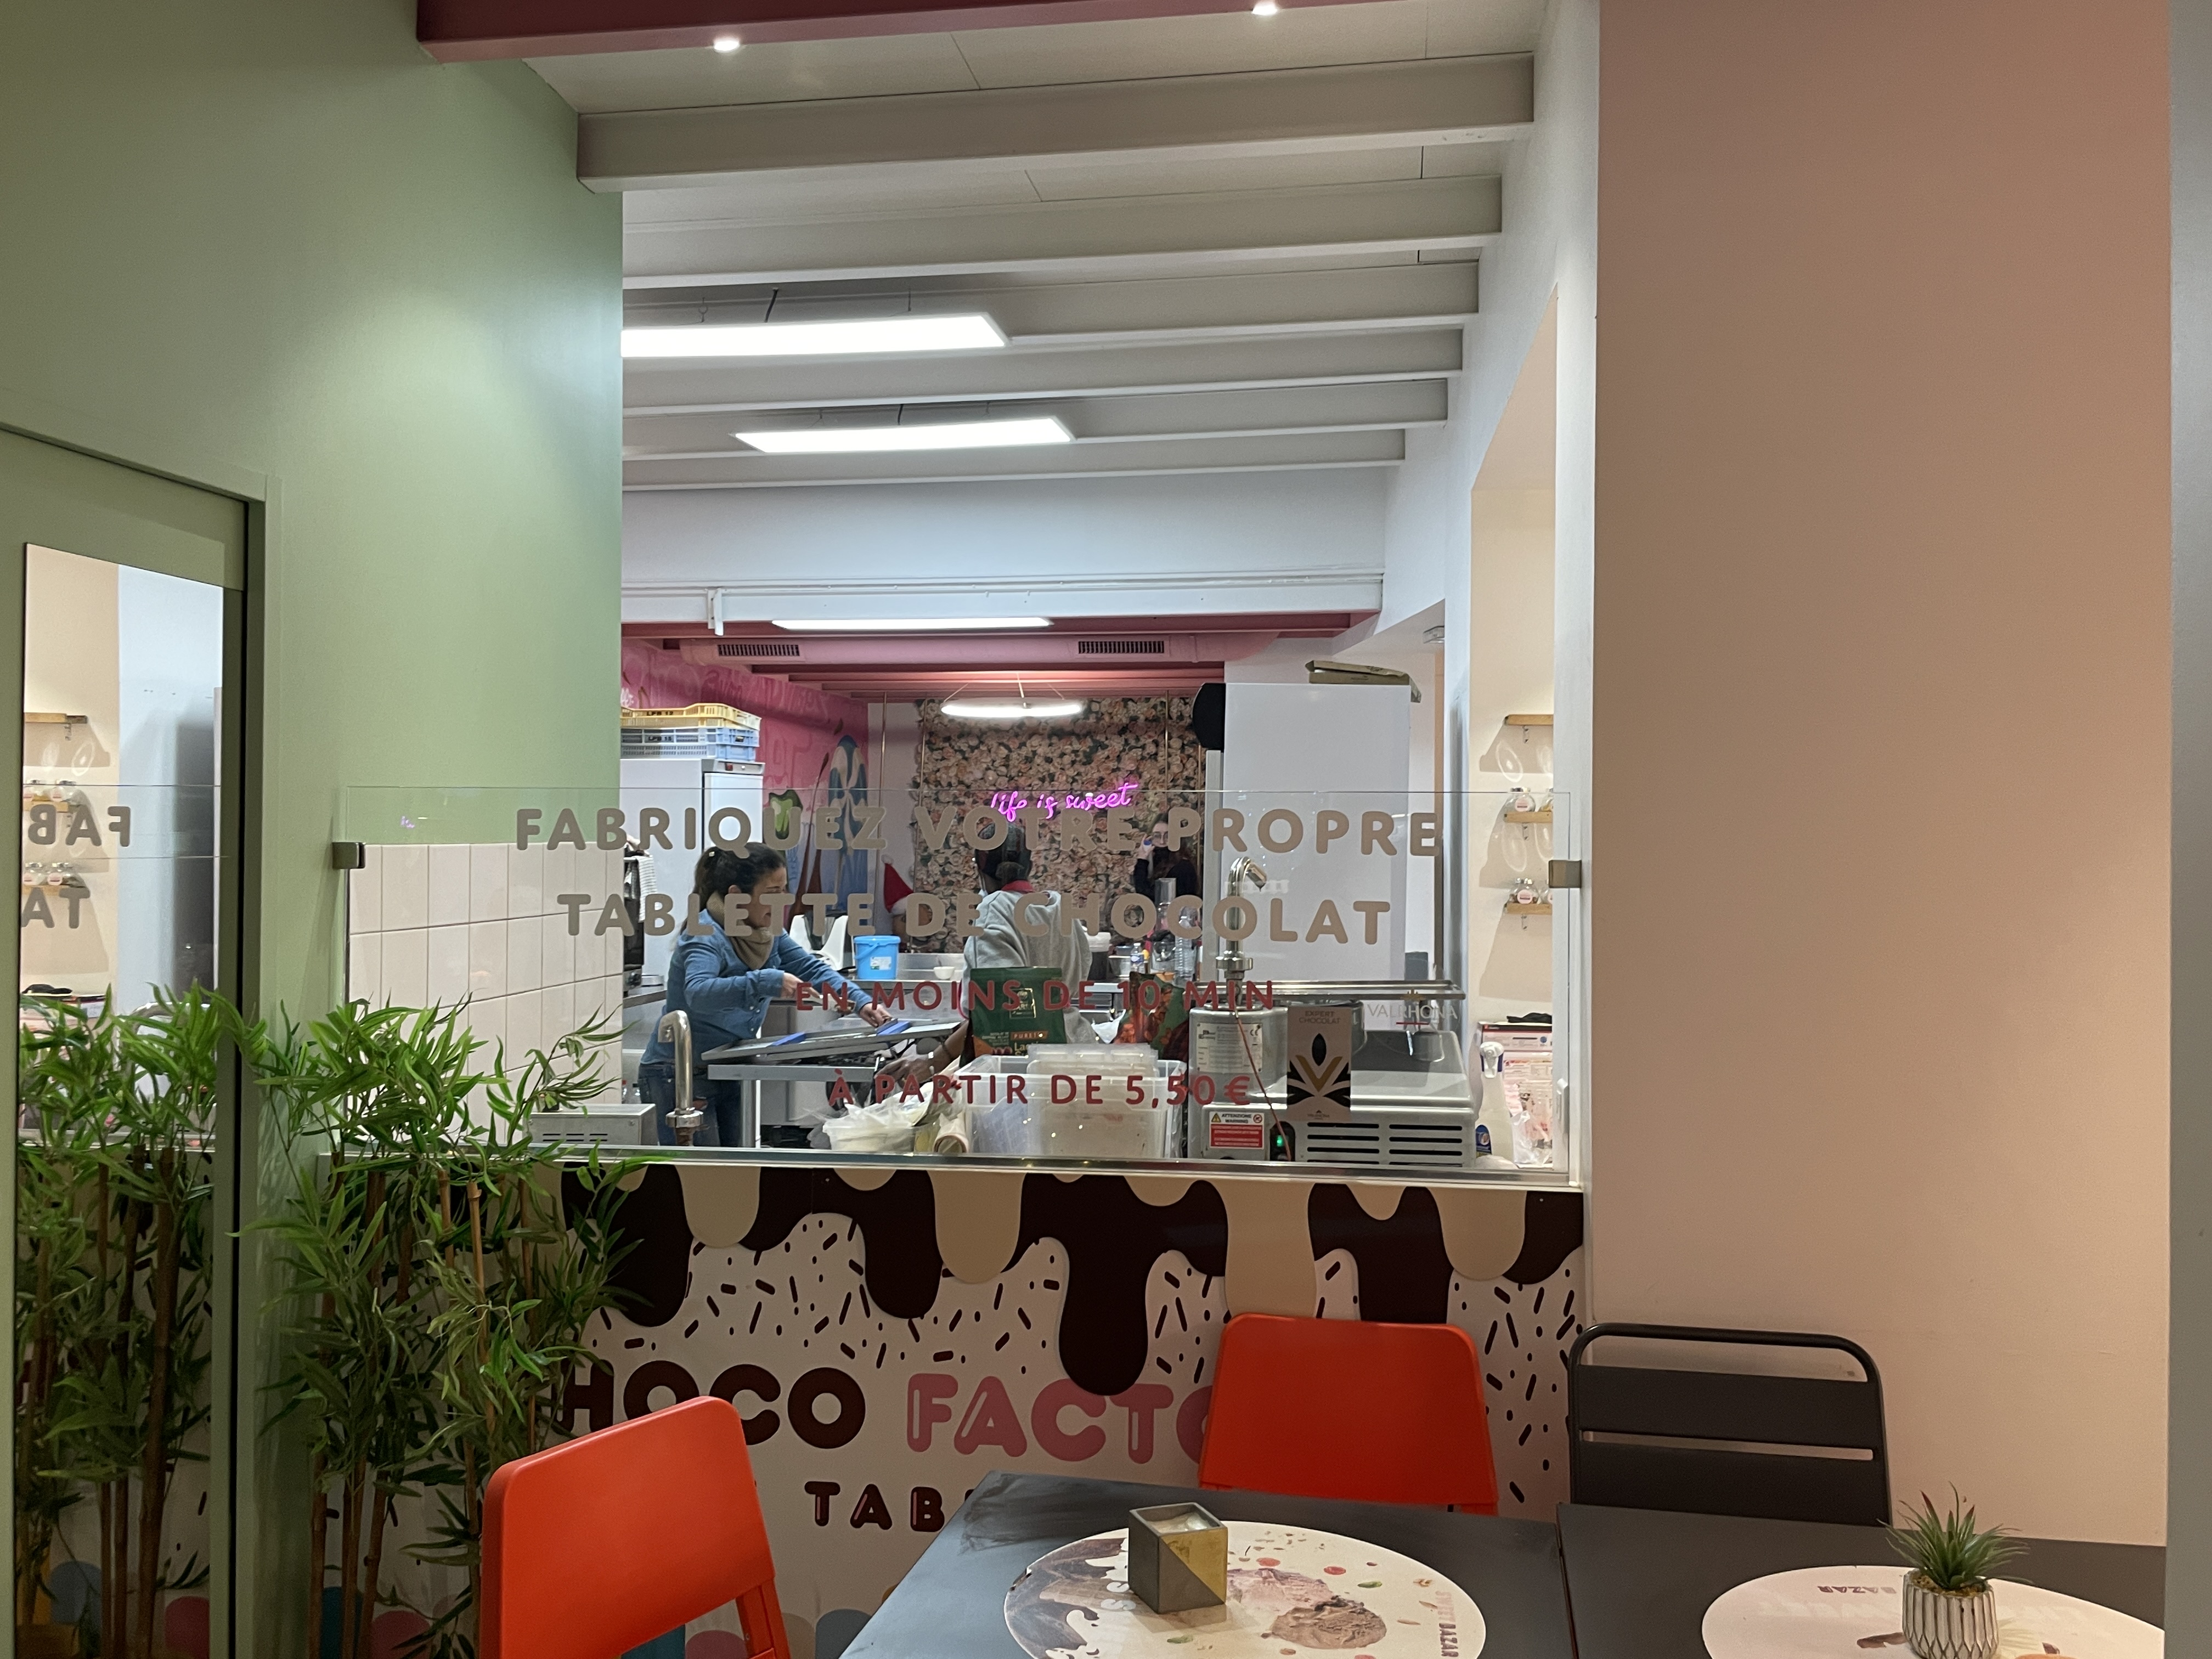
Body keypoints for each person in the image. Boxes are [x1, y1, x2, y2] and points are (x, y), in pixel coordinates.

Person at [637, 844, 887, 1146]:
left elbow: (812, 968)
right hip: (680, 1073)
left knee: (736, 1168)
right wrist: (765, 981)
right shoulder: (704, 933)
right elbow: (698, 993)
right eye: (771, 892)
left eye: (784, 890)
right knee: (700, 1170)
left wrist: (862, 1002)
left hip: (727, 1064)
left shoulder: (768, 933)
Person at [883, 825, 1098, 1088]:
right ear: (1030, 866)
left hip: (1024, 1063)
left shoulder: (994, 909)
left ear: (980, 869)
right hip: (1075, 1050)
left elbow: (998, 1010)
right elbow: (1079, 972)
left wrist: (934, 1060)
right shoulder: (1062, 907)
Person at [1131, 817, 1201, 898]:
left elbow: (1150, 896)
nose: (1162, 841)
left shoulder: (1183, 866)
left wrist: (1142, 862)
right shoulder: (1152, 861)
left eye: (1168, 836)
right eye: (1157, 836)